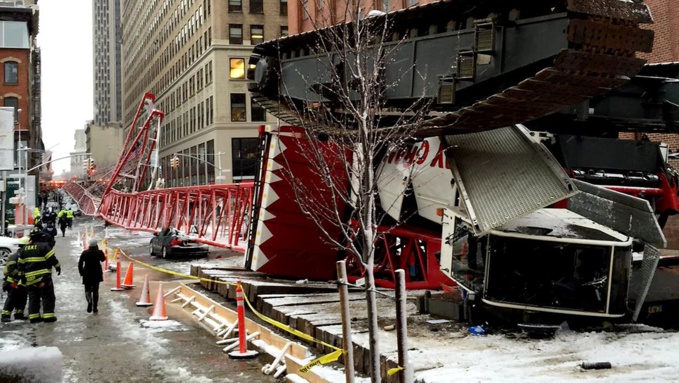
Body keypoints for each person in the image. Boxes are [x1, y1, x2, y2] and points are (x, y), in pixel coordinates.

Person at [17, 230, 61, 323]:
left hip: (30, 279)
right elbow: (52, 259)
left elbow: (20, 266)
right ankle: (48, 317)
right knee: (48, 296)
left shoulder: (24, 249)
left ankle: (34, 317)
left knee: (33, 298)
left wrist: (22, 278)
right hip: (43, 278)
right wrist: (58, 267)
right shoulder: (44, 246)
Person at [1, 237, 30, 322]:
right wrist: (19, 275)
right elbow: (11, 269)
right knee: (12, 298)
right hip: (13, 282)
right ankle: (5, 315)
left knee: (22, 298)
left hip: (21, 282)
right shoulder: (16, 255)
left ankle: (19, 314)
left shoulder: (24, 255)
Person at [78, 239, 106, 314]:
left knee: (87, 290)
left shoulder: (85, 253)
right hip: (97, 273)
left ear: (89, 245)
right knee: (96, 290)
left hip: (87, 273)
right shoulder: (99, 252)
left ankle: (89, 301)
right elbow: (103, 259)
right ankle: (95, 307)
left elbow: (80, 264)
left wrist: (81, 273)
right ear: (96, 245)